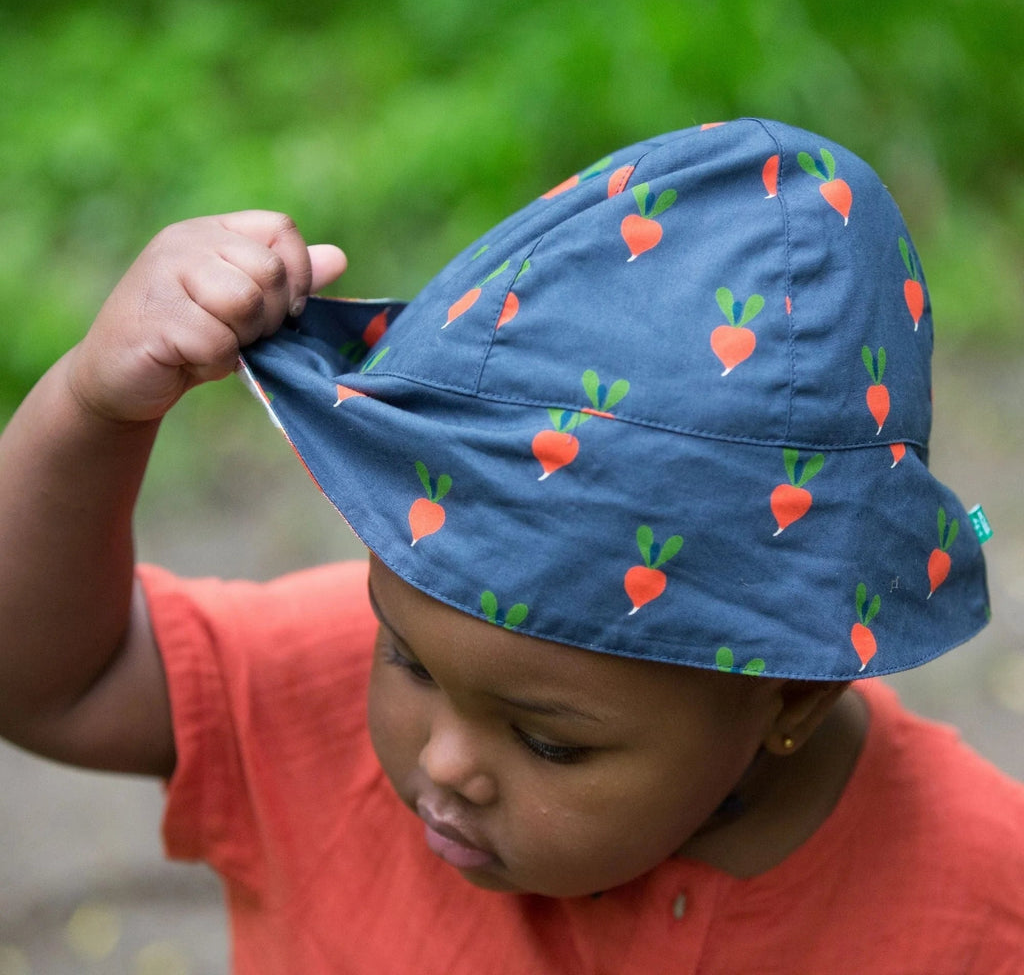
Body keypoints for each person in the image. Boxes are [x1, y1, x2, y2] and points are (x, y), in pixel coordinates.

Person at [0, 118, 1021, 973]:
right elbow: (58, 681)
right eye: (401, 655)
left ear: (792, 691)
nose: (444, 761)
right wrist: (91, 409)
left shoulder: (976, 901)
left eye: (548, 742)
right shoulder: (308, 687)